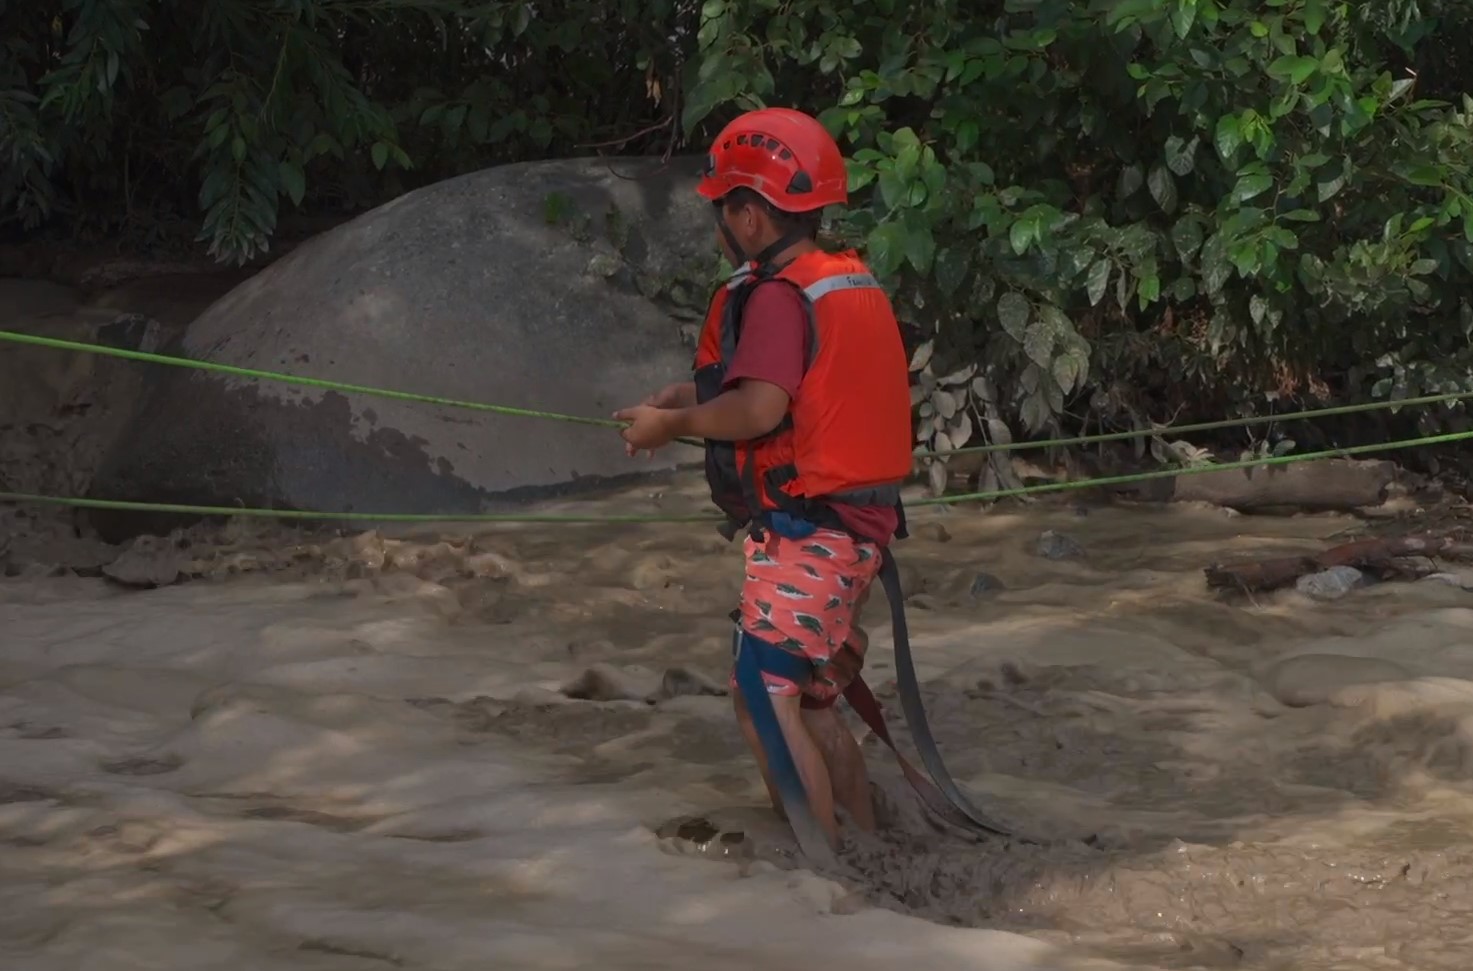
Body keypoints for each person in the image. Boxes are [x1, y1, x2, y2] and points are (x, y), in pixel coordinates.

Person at [612, 106, 913, 851]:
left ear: (747, 216)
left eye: (722, 206)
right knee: (813, 702)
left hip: (811, 531)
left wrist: (672, 427)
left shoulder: (778, 297)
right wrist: (686, 401)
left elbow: (758, 409)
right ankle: (863, 849)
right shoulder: (831, 281)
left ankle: (823, 877)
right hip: (851, 528)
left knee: (761, 692)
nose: (720, 222)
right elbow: (784, 395)